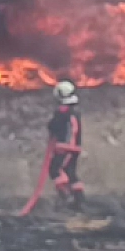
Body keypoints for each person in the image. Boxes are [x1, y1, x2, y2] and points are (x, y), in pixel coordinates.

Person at [46, 81, 84, 210]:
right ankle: (79, 200)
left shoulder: (63, 111)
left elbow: (53, 126)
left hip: (64, 148)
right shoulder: (75, 112)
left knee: (55, 170)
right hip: (74, 148)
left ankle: (66, 198)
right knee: (70, 172)